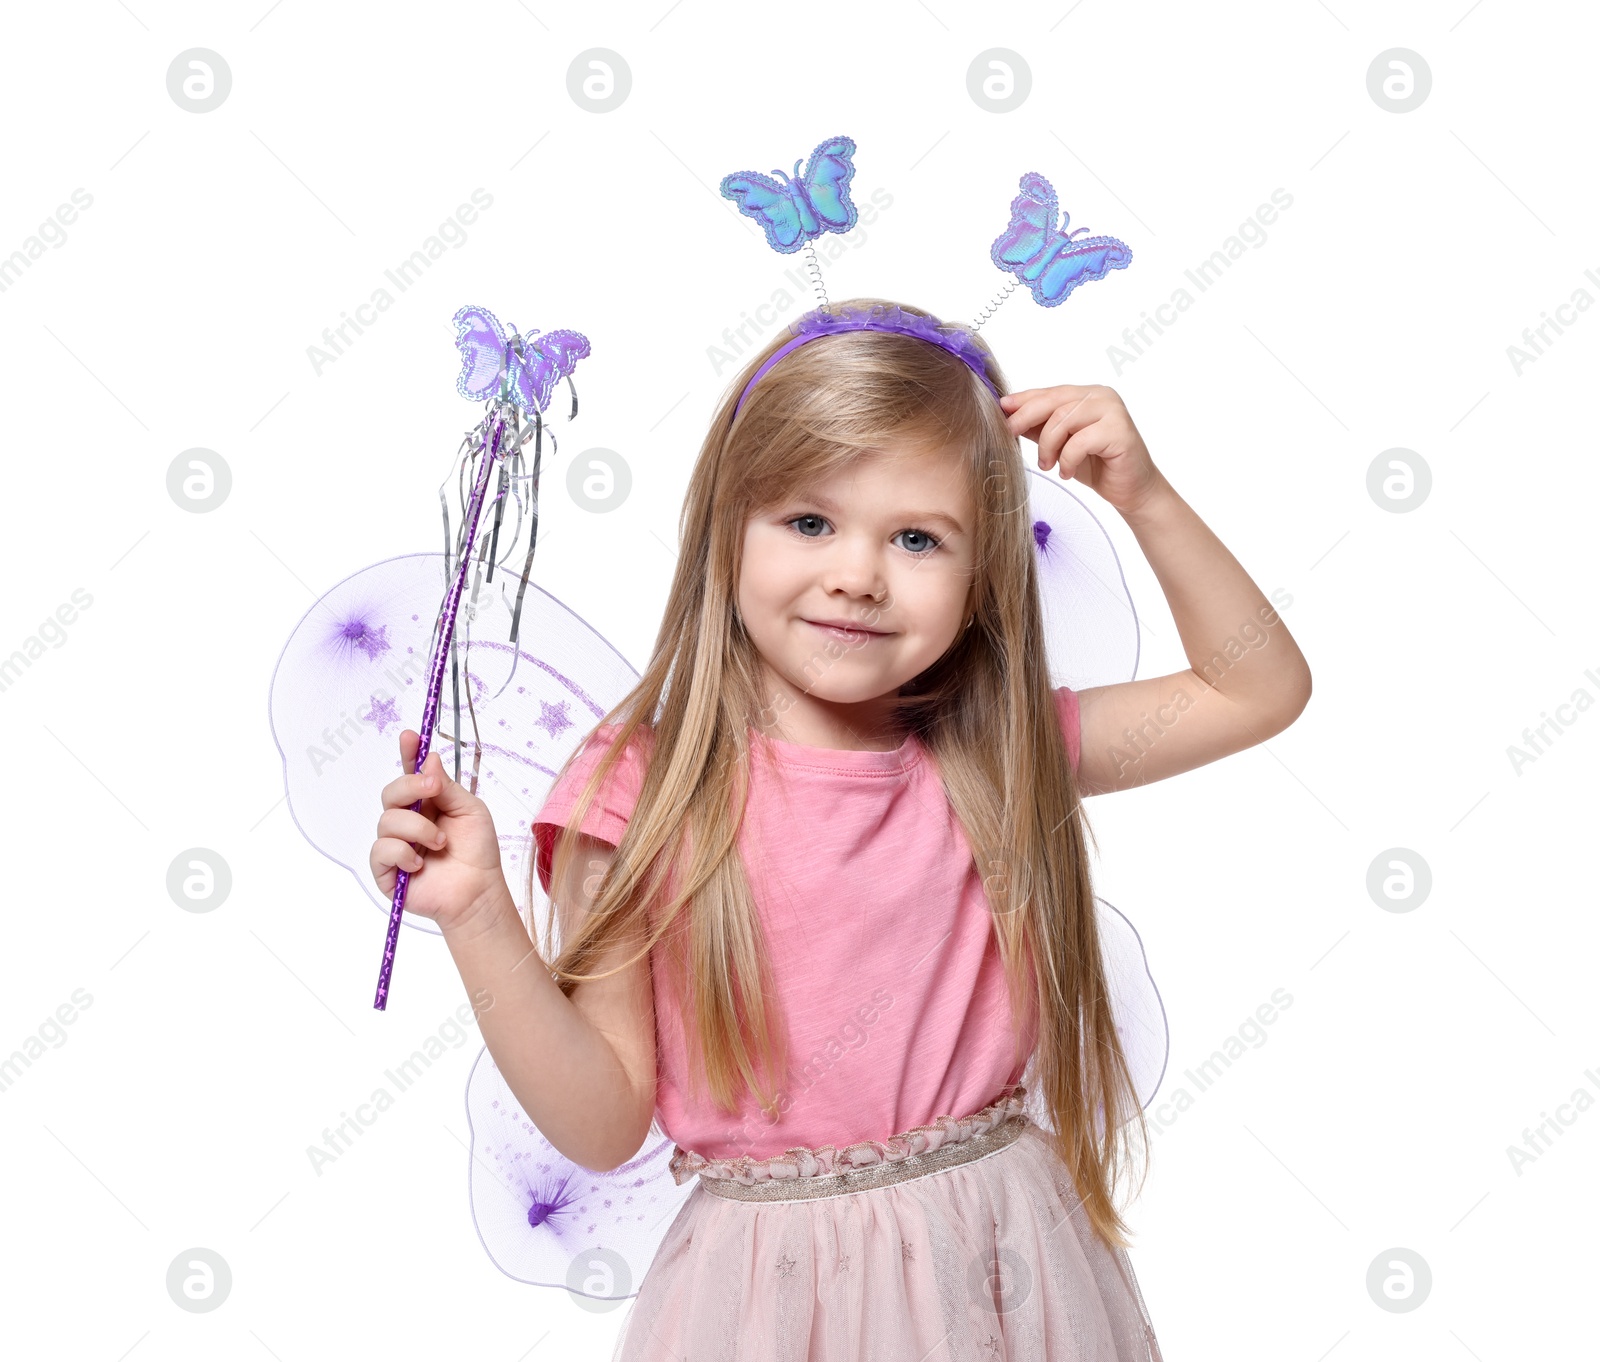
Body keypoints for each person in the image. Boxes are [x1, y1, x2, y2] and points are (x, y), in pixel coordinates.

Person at [369, 296, 1312, 1359]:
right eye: (809, 522)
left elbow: (1256, 690)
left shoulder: (994, 755)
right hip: (770, 1308)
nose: (857, 574)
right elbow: (601, 1125)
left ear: (982, 572)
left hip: (1002, 1268)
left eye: (916, 538)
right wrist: (480, 915)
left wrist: (1145, 500)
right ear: (727, 529)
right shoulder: (641, 790)